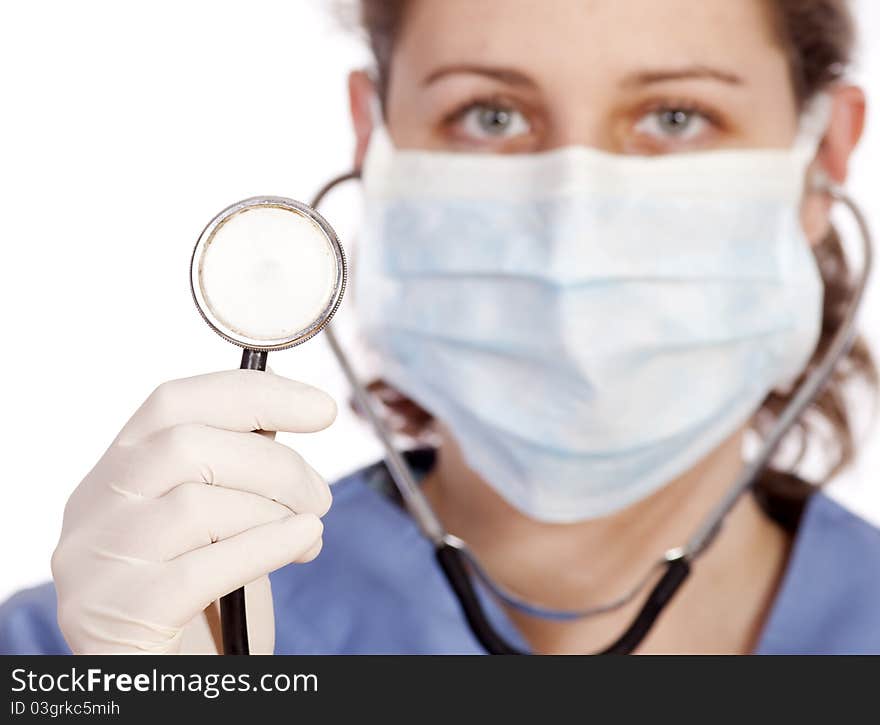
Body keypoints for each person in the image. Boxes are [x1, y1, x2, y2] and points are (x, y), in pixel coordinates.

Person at [2, 0, 879, 655]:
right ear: (373, 138)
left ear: (823, 156)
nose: (570, 230)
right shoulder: (89, 644)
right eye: (490, 115)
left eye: (676, 117)